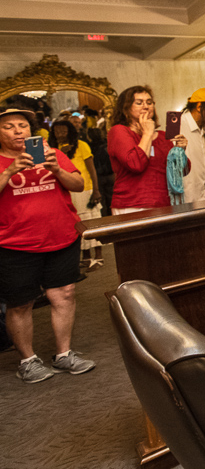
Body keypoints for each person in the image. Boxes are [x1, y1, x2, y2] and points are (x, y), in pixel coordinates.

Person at [0, 108, 95, 383]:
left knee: (64, 294)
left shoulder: (52, 153)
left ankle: (64, 354)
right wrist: (9, 171)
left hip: (61, 236)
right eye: (9, 126)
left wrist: (56, 169)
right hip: (14, 244)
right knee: (20, 304)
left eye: (22, 125)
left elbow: (78, 184)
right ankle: (28, 361)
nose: (18, 130)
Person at [107, 85, 188, 214]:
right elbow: (136, 164)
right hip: (132, 205)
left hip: (164, 204)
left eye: (149, 102)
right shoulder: (119, 131)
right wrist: (147, 134)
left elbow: (182, 171)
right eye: (139, 103)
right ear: (126, 109)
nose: (146, 106)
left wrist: (180, 151)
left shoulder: (163, 136)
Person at [48, 120, 104, 270]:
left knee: (91, 221)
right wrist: (63, 153)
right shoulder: (52, 150)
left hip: (85, 188)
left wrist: (96, 190)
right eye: (57, 131)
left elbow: (92, 170)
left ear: (70, 132)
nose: (60, 134)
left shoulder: (81, 145)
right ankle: (86, 257)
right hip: (66, 191)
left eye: (63, 131)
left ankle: (98, 256)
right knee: (77, 223)